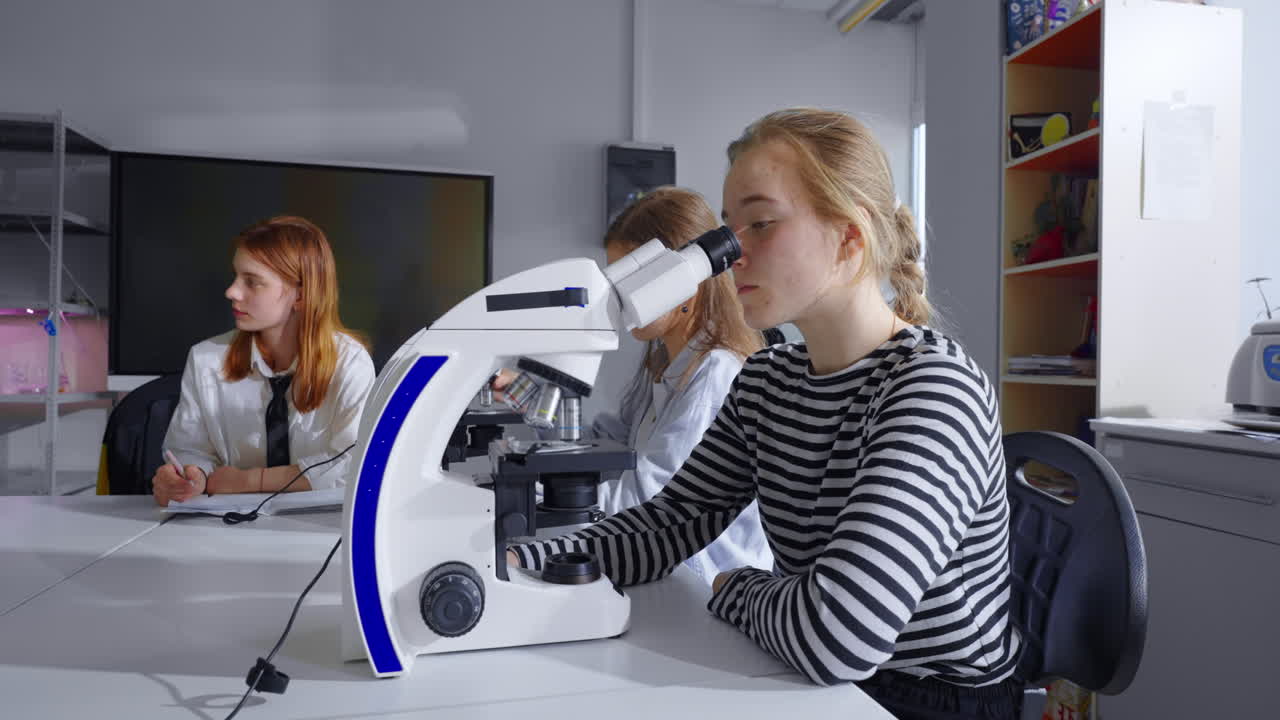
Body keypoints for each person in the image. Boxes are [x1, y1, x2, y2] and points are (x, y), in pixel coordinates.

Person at [509, 109, 1022, 719]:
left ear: (849, 239)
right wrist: (522, 561)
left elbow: (840, 634)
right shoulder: (768, 381)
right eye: (729, 230)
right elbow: (668, 524)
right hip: (808, 673)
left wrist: (736, 587)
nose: (730, 257)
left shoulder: (933, 389)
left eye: (761, 224)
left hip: (928, 697)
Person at [496, 186, 774, 582]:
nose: (618, 300)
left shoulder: (714, 372)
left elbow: (646, 501)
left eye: (629, 285)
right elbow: (608, 445)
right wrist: (530, 401)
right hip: (661, 572)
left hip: (704, 587)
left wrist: (529, 496)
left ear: (681, 280)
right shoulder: (662, 361)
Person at [153, 215, 375, 506]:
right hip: (226, 527)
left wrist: (250, 481)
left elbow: (354, 464)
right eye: (235, 276)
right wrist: (192, 478)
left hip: (320, 530)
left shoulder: (350, 362)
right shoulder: (205, 359)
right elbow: (189, 450)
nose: (231, 291)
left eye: (252, 282)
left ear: (301, 295)